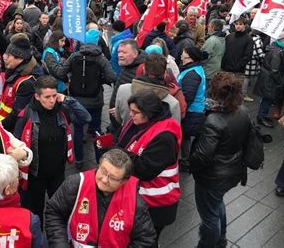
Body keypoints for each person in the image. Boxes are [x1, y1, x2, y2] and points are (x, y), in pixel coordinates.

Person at [14, 76, 91, 227]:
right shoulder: (26, 115)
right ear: (37, 96)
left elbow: (85, 118)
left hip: (57, 172)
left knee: (60, 210)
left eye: (54, 96)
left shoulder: (62, 111)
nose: (51, 101)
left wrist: (68, 100)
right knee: (35, 213)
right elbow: (16, 142)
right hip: (35, 175)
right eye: (47, 97)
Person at [45, 149, 157, 247]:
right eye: (103, 171)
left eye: (112, 178)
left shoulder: (135, 204)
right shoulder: (75, 184)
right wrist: (60, 244)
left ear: (124, 181)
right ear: (98, 165)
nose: (104, 180)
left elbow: (146, 240)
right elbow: (54, 212)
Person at [189, 72, 252, 248]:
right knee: (217, 204)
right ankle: (221, 239)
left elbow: (202, 156)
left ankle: (208, 244)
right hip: (232, 171)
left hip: (212, 177)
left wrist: (190, 165)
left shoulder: (213, 120)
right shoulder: (243, 111)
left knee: (209, 217)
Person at [112, 90, 181, 245]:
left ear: (148, 113)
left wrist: (116, 152)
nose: (131, 115)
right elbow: (122, 139)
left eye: (135, 112)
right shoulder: (140, 122)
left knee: (147, 241)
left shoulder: (165, 136)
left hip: (157, 203)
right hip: (141, 198)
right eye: (130, 110)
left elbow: (145, 170)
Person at [51, 29, 117, 169]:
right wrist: (99, 80)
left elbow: (60, 72)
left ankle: (79, 160)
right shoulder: (100, 58)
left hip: (76, 100)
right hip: (95, 101)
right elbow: (112, 77)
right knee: (96, 130)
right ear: (97, 42)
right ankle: (100, 159)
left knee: (78, 130)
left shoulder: (75, 56)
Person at [116, 53, 181, 125]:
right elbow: (174, 130)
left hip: (128, 134)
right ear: (165, 73)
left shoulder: (123, 90)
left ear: (143, 70)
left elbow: (118, 118)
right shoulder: (173, 103)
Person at [0, 33, 44, 132]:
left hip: (13, 131)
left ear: (20, 59)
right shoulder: (14, 71)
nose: (5, 58)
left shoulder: (27, 83)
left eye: (9, 55)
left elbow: (17, 114)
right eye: (5, 54)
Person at [178, 46, 208, 172]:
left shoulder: (192, 74)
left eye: (183, 54)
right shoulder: (195, 69)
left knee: (186, 137)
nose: (181, 56)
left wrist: (181, 112)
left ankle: (185, 162)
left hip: (191, 113)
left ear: (190, 58)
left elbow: (187, 97)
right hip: (195, 111)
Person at [254, 31, 284, 128]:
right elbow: (274, 69)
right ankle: (261, 117)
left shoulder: (277, 49)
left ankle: (263, 115)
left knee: (267, 98)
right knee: (267, 98)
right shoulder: (277, 51)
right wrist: (279, 82)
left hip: (268, 78)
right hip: (270, 79)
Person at [221, 17, 254, 99]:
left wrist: (239, 66)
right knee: (224, 92)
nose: (238, 26)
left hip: (238, 71)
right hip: (226, 69)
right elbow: (225, 51)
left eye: (240, 24)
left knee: (235, 93)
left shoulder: (248, 39)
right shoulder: (229, 37)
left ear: (244, 25)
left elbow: (248, 55)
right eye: (236, 24)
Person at [202, 19, 226, 84]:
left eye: (209, 26)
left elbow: (204, 57)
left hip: (207, 71)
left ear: (212, 27)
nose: (207, 28)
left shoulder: (212, 40)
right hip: (216, 70)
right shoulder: (223, 38)